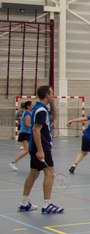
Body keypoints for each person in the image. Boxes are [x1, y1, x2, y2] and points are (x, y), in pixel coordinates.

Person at [19, 85, 63, 214]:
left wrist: (53, 103)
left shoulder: (41, 108)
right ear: (47, 95)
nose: (53, 95)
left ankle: (23, 203)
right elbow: (36, 130)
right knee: (50, 173)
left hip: (36, 147)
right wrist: (41, 150)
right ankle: (47, 205)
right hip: (41, 146)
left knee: (34, 173)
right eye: (52, 93)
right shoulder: (41, 111)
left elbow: (54, 117)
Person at [9, 100, 32, 171]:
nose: (33, 106)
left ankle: (36, 164)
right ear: (28, 106)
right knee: (26, 150)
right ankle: (13, 162)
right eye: (32, 105)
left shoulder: (27, 112)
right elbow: (28, 124)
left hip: (27, 133)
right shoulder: (27, 113)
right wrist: (36, 126)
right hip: (25, 133)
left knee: (31, 149)